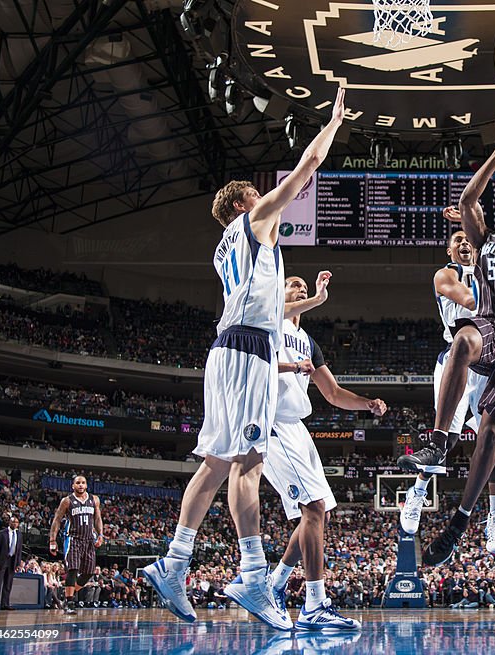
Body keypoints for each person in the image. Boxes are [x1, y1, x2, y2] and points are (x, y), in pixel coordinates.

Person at [141, 88, 346, 631]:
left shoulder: (229, 247)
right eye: (259, 196)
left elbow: (270, 300)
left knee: (213, 462)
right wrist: (332, 123)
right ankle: (255, 576)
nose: (269, 201)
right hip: (248, 352)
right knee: (247, 463)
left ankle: (174, 562)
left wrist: (313, 301)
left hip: (226, 348)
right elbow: (306, 169)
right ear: (241, 204)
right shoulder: (254, 222)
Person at [399, 88, 495, 566]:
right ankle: (440, 440)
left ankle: (463, 519)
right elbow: (469, 198)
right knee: (463, 338)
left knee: (491, 430)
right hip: (489, 326)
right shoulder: (483, 241)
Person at [263, 273, 386, 631]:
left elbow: (331, 393)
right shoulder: (269, 320)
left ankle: (276, 584)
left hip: (296, 426)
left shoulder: (307, 341)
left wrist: (367, 405)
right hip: (273, 421)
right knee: (313, 509)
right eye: (293, 284)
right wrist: (315, 298)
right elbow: (261, 365)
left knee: (321, 515)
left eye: (303, 286)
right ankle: (314, 605)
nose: (299, 288)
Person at [398, 230, 495, 555]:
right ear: (449, 249)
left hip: (491, 355)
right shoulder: (446, 274)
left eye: (467, 239)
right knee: (447, 438)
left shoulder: (491, 268)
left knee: (493, 436)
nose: (463, 243)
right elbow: (473, 301)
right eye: (456, 239)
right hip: (457, 355)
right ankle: (417, 493)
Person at [49, 475, 103, 614]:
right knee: (73, 569)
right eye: (78, 483)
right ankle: (70, 602)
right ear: (73, 485)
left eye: (83, 483)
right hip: (73, 539)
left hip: (89, 540)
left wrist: (101, 535)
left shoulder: (94, 499)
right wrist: (52, 540)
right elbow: (57, 520)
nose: (80, 485)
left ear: (86, 485)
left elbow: (97, 518)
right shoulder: (67, 501)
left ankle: (67, 595)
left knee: (89, 572)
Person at [0, 515, 22, 610]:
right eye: (13, 522)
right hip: (1, 561)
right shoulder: (1, 533)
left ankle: (5, 604)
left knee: (8, 584)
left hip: (12, 561)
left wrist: (18, 563)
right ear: (9, 523)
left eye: (16, 522)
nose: (14, 524)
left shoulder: (19, 534)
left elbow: (19, 550)